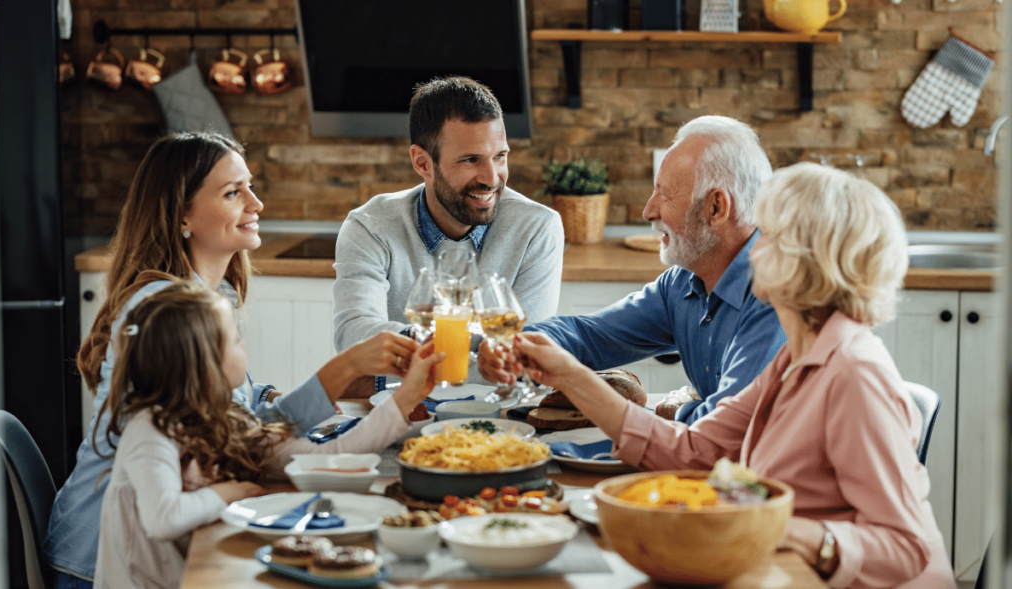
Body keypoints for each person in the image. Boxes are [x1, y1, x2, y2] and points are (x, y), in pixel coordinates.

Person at [514, 162, 956, 588]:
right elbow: (696, 452)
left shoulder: (855, 374)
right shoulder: (794, 361)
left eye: (770, 234)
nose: (754, 245)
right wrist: (571, 375)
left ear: (808, 259)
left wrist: (787, 530)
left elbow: (906, 545)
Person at [45, 132, 427, 588]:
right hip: (108, 563)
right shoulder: (164, 313)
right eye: (233, 192)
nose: (257, 203)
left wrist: (350, 377)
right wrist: (345, 372)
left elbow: (241, 428)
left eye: (249, 186)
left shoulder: (206, 299)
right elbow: (227, 443)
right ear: (182, 213)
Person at [93, 282, 443, 589]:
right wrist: (224, 493)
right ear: (203, 364)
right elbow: (163, 519)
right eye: (234, 338)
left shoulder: (227, 418)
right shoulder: (150, 429)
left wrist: (404, 398)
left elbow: (322, 459)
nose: (244, 343)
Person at [479, 115, 785, 423]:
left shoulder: (780, 294)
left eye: (664, 194)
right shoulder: (683, 283)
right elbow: (592, 335)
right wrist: (516, 347)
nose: (648, 211)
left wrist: (678, 407)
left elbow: (729, 431)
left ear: (716, 207)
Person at [332, 76, 564, 390]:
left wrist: (405, 362)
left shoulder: (537, 227)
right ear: (422, 162)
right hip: (401, 413)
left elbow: (524, 358)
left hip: (499, 417)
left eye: (500, 156)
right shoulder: (371, 227)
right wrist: (475, 354)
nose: (491, 178)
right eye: (470, 160)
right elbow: (353, 336)